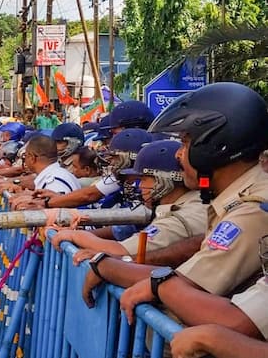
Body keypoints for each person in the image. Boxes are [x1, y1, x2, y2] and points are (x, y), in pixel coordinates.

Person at [82, 83, 268, 316]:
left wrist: (107, 266)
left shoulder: (251, 210)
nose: (178, 154)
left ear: (214, 146)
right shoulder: (233, 200)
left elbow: (189, 283)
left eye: (185, 143)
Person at [51, 140, 207, 262]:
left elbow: (123, 251)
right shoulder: (184, 204)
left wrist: (75, 236)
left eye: (144, 180)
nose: (140, 187)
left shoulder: (182, 217)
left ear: (164, 180)